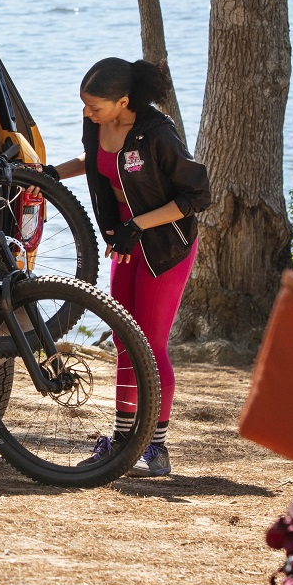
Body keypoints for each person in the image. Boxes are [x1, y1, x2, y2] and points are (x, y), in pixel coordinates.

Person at [47, 58, 211, 477]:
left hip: (164, 246)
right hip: (125, 243)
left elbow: (196, 196)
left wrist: (137, 225)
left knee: (150, 346)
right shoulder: (97, 124)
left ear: (123, 102)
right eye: (84, 106)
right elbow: (91, 161)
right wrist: (48, 176)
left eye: (95, 107)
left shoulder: (159, 135)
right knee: (124, 339)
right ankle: (122, 442)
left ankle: (154, 448)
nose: (87, 113)